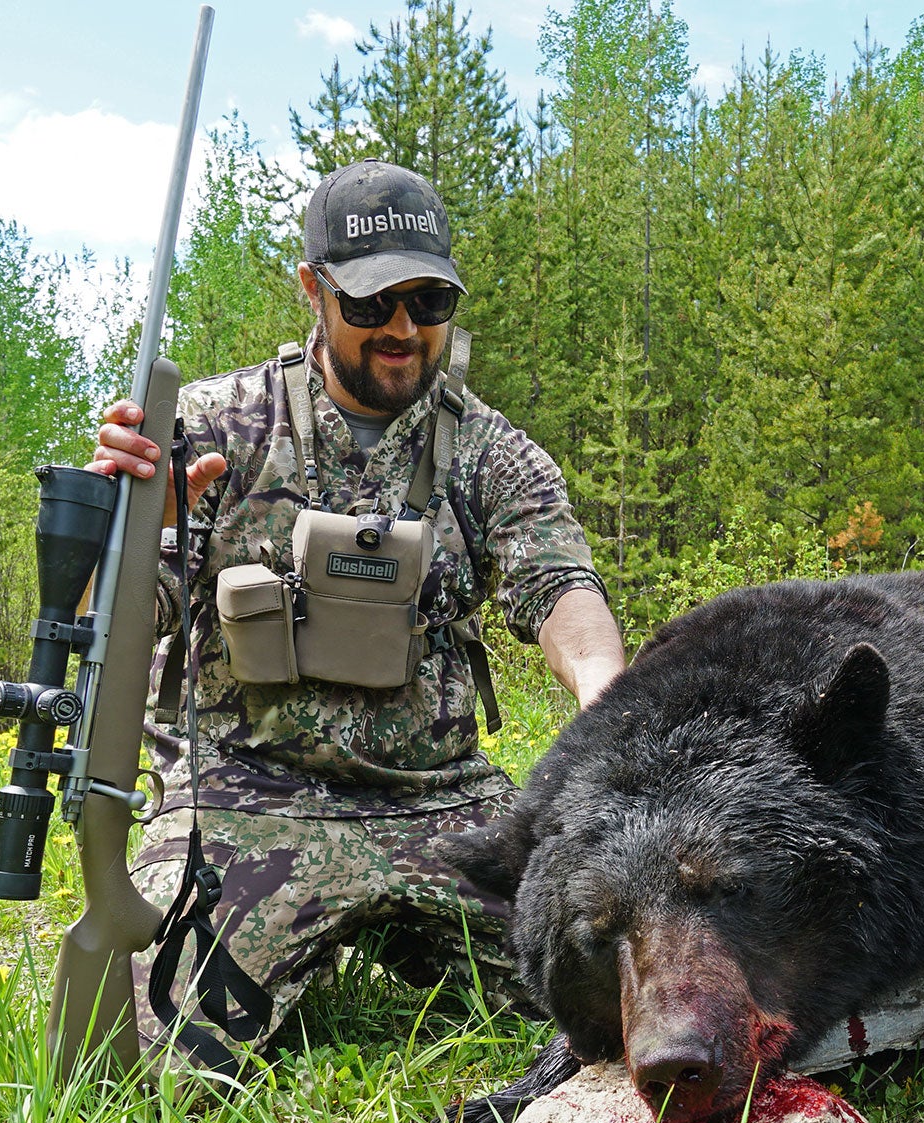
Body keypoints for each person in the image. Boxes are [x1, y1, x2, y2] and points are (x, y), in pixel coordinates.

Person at [89, 159, 625, 1073]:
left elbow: (560, 584)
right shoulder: (216, 426)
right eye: (372, 303)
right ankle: (288, 942)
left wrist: (606, 695)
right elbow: (112, 615)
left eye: (428, 301)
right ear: (314, 288)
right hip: (247, 797)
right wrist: (130, 530)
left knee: (616, 984)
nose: (403, 329)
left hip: (439, 800)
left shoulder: (490, 450)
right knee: (155, 1064)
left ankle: (401, 935)